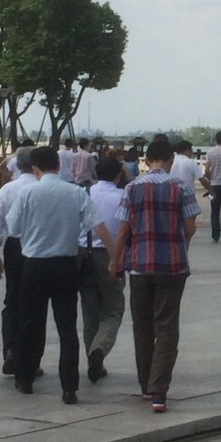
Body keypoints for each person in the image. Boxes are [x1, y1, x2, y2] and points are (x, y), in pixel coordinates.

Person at [6, 146, 114, 403]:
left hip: (33, 265)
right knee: (67, 328)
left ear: (34, 169)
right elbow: (98, 226)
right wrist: (114, 257)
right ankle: (69, 387)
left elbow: (13, 228)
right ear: (58, 165)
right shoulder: (75, 192)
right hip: (66, 265)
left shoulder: (27, 192)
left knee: (30, 323)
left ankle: (25, 378)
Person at [109, 139, 200, 413]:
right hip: (172, 266)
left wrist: (115, 261)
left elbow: (123, 229)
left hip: (139, 266)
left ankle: (146, 386)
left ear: (147, 161)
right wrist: (177, 243)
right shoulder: (180, 187)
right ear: (170, 159)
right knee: (167, 327)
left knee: (142, 326)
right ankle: (160, 390)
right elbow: (190, 225)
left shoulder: (132, 187)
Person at [0, 146, 36, 376]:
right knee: (34, 304)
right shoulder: (39, 187)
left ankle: (10, 348)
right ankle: (30, 357)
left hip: (14, 246)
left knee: (12, 300)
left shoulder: (8, 189)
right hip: (37, 247)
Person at [79, 154, 126, 383]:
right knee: (112, 310)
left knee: (90, 312)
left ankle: (92, 358)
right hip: (110, 255)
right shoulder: (122, 196)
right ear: (118, 174)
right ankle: (99, 350)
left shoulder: (84, 193)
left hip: (83, 255)